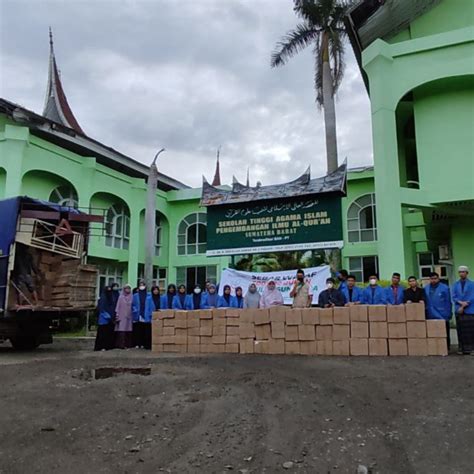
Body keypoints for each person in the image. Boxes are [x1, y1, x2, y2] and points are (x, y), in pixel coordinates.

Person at [425, 272, 452, 352]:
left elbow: (448, 301)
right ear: (429, 279)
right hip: (430, 313)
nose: (433, 280)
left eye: (435, 278)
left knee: (445, 332)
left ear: (438, 279)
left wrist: (448, 313)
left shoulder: (445, 288)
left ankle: (446, 347)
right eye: (431, 279)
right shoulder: (426, 288)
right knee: (432, 332)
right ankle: (434, 348)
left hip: (442, 313)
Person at [452, 265, 474, 355]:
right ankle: (462, 348)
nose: (461, 273)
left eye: (463, 272)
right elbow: (453, 296)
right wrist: (460, 303)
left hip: (470, 309)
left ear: (467, 273)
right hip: (459, 309)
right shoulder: (455, 284)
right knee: (460, 330)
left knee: (471, 330)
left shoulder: (472, 284)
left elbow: (473, 296)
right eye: (460, 272)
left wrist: (466, 303)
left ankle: (472, 349)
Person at [94, 284, 118, 351]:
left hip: (111, 318)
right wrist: (107, 316)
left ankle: (108, 346)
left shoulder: (112, 298)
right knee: (102, 333)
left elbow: (113, 307)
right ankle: (101, 347)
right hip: (103, 319)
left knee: (109, 333)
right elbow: (101, 308)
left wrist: (113, 316)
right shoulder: (102, 298)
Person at [115, 284, 133, 349]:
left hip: (130, 316)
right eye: (126, 288)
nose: (128, 290)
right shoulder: (121, 297)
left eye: (129, 288)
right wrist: (117, 315)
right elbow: (117, 306)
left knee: (129, 330)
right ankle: (121, 345)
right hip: (122, 316)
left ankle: (128, 344)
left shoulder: (132, 297)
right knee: (122, 330)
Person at [132, 279, 149, 349]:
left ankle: (143, 343)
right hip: (137, 314)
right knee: (137, 329)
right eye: (140, 285)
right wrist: (135, 310)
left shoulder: (148, 295)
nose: (142, 286)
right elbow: (132, 305)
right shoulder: (135, 295)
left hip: (145, 314)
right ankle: (137, 343)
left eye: (143, 285)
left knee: (144, 329)